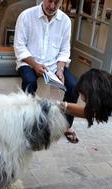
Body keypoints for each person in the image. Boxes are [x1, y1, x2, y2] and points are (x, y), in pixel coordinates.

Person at [14, 0, 80, 143]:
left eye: (56, 2)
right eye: (50, 1)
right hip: (29, 61)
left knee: (74, 86)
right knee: (30, 82)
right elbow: (19, 46)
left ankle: (67, 125)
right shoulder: (26, 16)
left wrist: (60, 69)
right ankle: (27, 123)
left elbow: (64, 50)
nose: (52, 6)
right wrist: (35, 64)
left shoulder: (65, 21)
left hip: (54, 64)